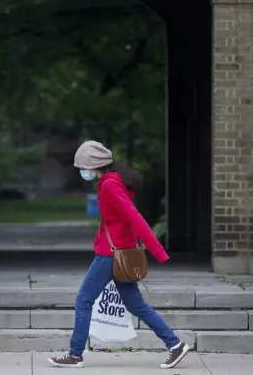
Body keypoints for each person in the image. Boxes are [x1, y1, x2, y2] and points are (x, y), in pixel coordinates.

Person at [48, 140, 190, 370]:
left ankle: (75, 355)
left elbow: (134, 216)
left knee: (84, 300)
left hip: (110, 254)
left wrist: (158, 251)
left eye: (82, 167)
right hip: (120, 252)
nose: (82, 171)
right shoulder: (112, 182)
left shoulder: (109, 185)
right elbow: (122, 220)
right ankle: (175, 344)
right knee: (136, 305)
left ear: (93, 165)